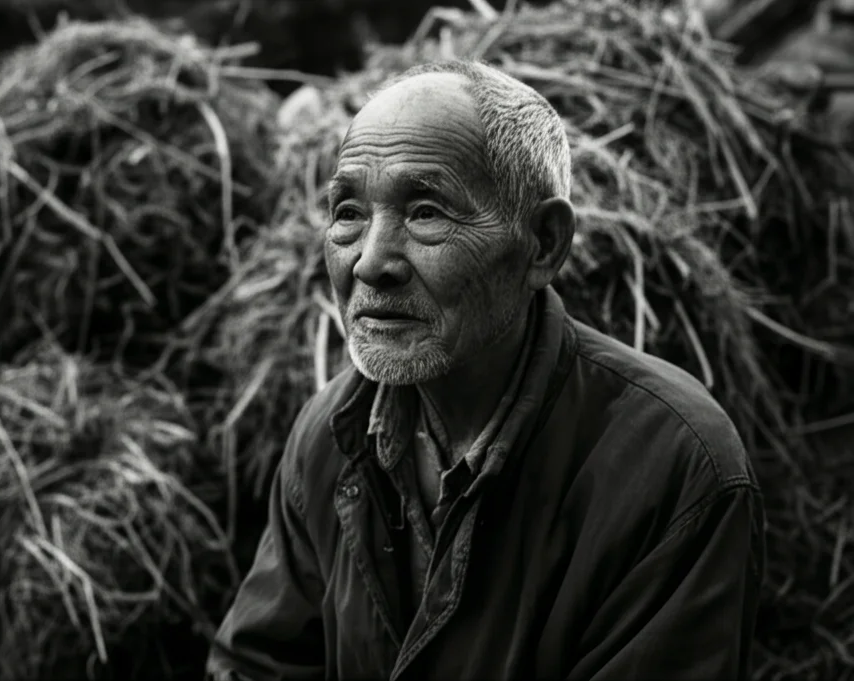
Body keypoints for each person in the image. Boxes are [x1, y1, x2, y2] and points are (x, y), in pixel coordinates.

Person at [206, 59, 765, 681]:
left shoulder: (673, 466)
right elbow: (255, 664)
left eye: (425, 212)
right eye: (348, 213)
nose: (369, 262)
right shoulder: (332, 436)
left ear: (544, 244)